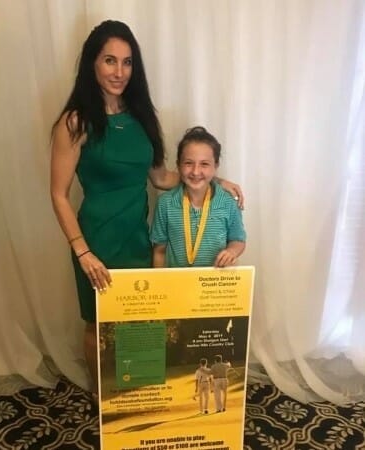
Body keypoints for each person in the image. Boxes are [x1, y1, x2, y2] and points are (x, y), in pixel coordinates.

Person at [50, 21, 243, 395]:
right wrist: (82, 251)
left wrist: (213, 180)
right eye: (109, 61)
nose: (119, 72)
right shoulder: (75, 121)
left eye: (127, 62)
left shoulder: (140, 117)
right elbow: (58, 194)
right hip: (96, 240)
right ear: (92, 63)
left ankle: (138, 396)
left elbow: (161, 178)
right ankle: (101, 396)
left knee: (142, 319)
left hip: (139, 236)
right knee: (98, 322)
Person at [150, 126, 246, 268]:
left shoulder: (228, 202)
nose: (195, 172)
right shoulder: (165, 203)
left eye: (204, 164)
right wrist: (159, 285)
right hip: (177, 285)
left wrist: (231, 251)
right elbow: (159, 251)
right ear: (178, 164)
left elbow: (238, 240)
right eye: (188, 163)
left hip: (214, 285)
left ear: (216, 166)